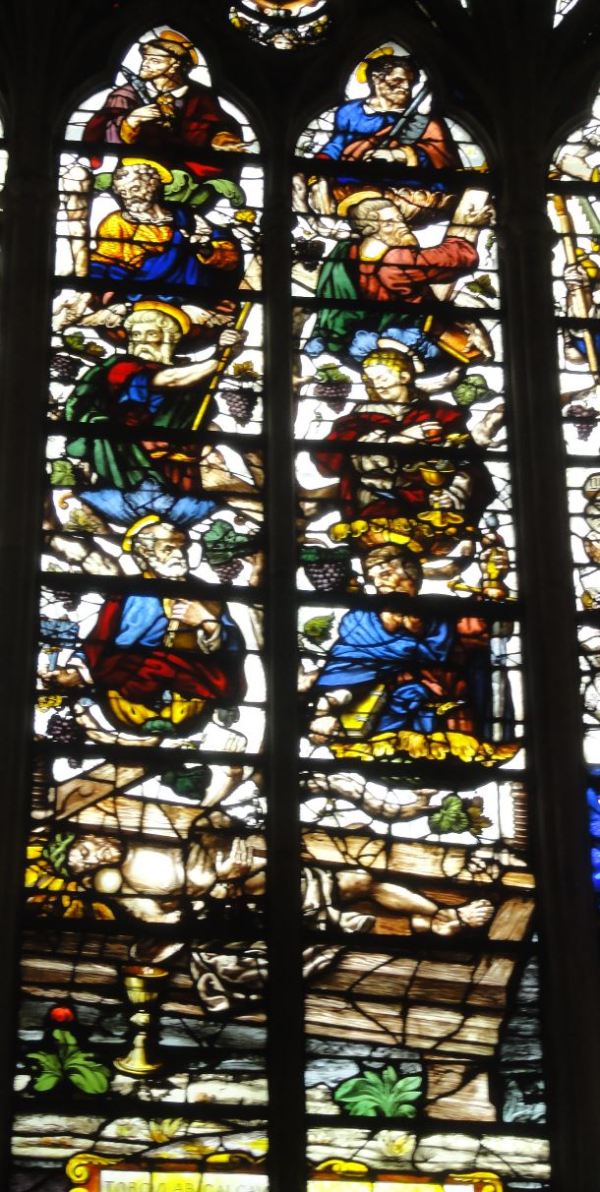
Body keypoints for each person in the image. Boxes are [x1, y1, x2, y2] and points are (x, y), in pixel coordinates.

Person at [46, 517, 246, 737]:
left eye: (182, 548)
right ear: (145, 552)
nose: (179, 555)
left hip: (191, 695)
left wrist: (208, 622)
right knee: (149, 665)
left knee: (167, 664)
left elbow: (234, 648)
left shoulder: (207, 595)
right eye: (168, 548)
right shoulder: (126, 592)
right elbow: (99, 640)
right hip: (125, 696)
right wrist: (77, 670)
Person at [307, 546, 514, 753]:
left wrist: (491, 583)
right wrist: (326, 707)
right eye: (374, 578)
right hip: (382, 711)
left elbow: (487, 630)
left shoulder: (441, 611)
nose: (379, 583)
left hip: (448, 705)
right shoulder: (363, 621)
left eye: (385, 574)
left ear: (411, 573)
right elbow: (346, 668)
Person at [311, 347, 498, 560]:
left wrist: (453, 497)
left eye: (381, 377)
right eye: (370, 380)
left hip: (437, 521)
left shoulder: (439, 415)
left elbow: (468, 465)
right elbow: (327, 461)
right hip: (375, 512)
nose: (376, 385)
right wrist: (397, 440)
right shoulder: (357, 421)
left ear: (404, 376)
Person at [65, 300, 245, 493]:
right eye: (135, 334)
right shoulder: (123, 367)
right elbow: (170, 380)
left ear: (169, 338)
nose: (141, 341)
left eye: (150, 333)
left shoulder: (185, 372)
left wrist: (227, 353)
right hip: (128, 455)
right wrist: (219, 358)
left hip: (176, 463)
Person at [306, 189, 492, 370]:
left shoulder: (349, 251)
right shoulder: (396, 261)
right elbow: (456, 259)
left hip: (375, 331)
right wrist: (470, 226)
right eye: (389, 223)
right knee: (475, 355)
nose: (402, 226)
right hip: (412, 337)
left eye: (400, 219)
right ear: (370, 229)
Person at [82, 31, 246, 173]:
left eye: (154, 61)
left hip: (188, 174)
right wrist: (130, 121)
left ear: (174, 65)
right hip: (136, 173)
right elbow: (97, 131)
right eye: (145, 59)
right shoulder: (125, 95)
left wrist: (219, 138)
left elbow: (214, 125)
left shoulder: (199, 97)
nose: (145, 65)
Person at [88, 160, 242, 286]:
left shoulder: (185, 216)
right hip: (133, 296)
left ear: (152, 185)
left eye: (135, 188)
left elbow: (229, 258)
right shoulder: (116, 223)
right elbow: (102, 266)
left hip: (193, 297)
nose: (128, 197)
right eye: (123, 192)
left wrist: (205, 249)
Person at [318, 50, 460, 170]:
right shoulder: (350, 111)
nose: (405, 87)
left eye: (410, 82)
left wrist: (401, 155)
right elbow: (337, 145)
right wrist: (318, 169)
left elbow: (443, 159)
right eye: (398, 80)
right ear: (376, 78)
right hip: (353, 178)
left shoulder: (425, 121)